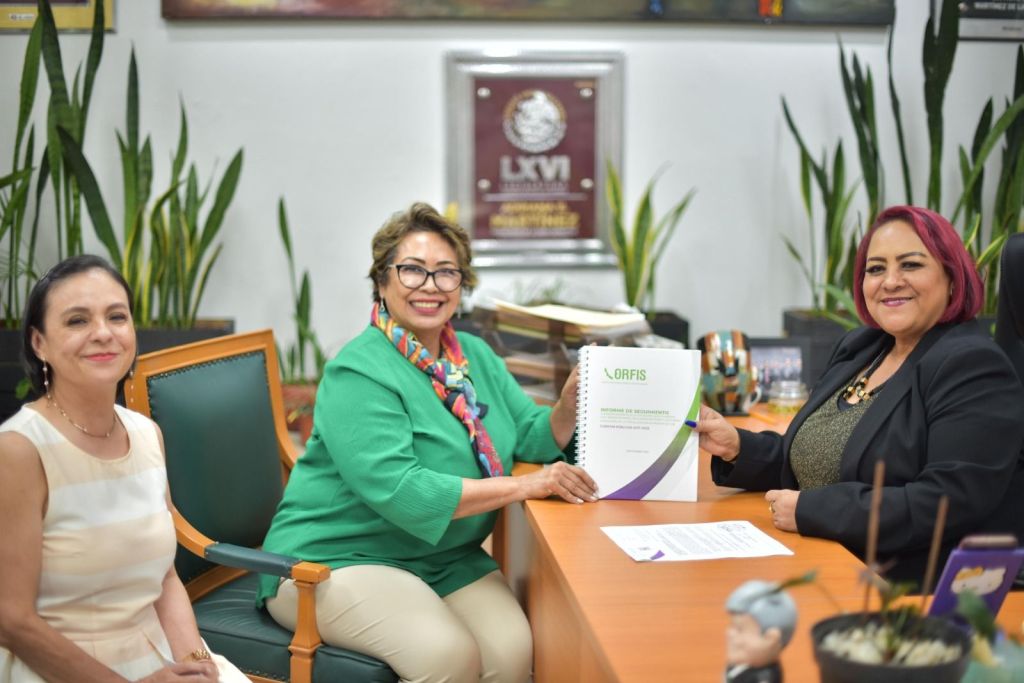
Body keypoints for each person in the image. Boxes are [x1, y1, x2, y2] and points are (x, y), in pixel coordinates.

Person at [257, 203, 597, 683]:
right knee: (447, 656)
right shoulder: (358, 371)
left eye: (446, 272)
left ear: (461, 284)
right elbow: (405, 493)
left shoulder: (472, 355)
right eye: (413, 270)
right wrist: (526, 486)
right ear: (382, 282)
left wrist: (567, 404)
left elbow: (527, 434)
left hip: (443, 559)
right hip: (335, 558)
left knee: (513, 653)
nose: (430, 285)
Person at [696, 205, 1024, 583]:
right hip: (821, 556)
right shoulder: (863, 347)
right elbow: (817, 458)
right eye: (876, 269)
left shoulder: (972, 366)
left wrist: (811, 511)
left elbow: (945, 501)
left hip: (898, 585)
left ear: (953, 278)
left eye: (911, 265)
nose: (891, 281)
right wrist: (737, 446)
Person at [0, 255, 247, 683]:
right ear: (39, 343)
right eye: (77, 320)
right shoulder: (19, 450)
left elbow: (165, 576)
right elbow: (11, 620)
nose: (103, 333)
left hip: (158, 654)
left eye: (116, 316)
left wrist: (197, 663)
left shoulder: (147, 434)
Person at [724, 580, 796, 683]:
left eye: (740, 629)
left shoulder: (763, 678)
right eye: (732, 626)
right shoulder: (736, 666)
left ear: (770, 639)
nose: (731, 634)